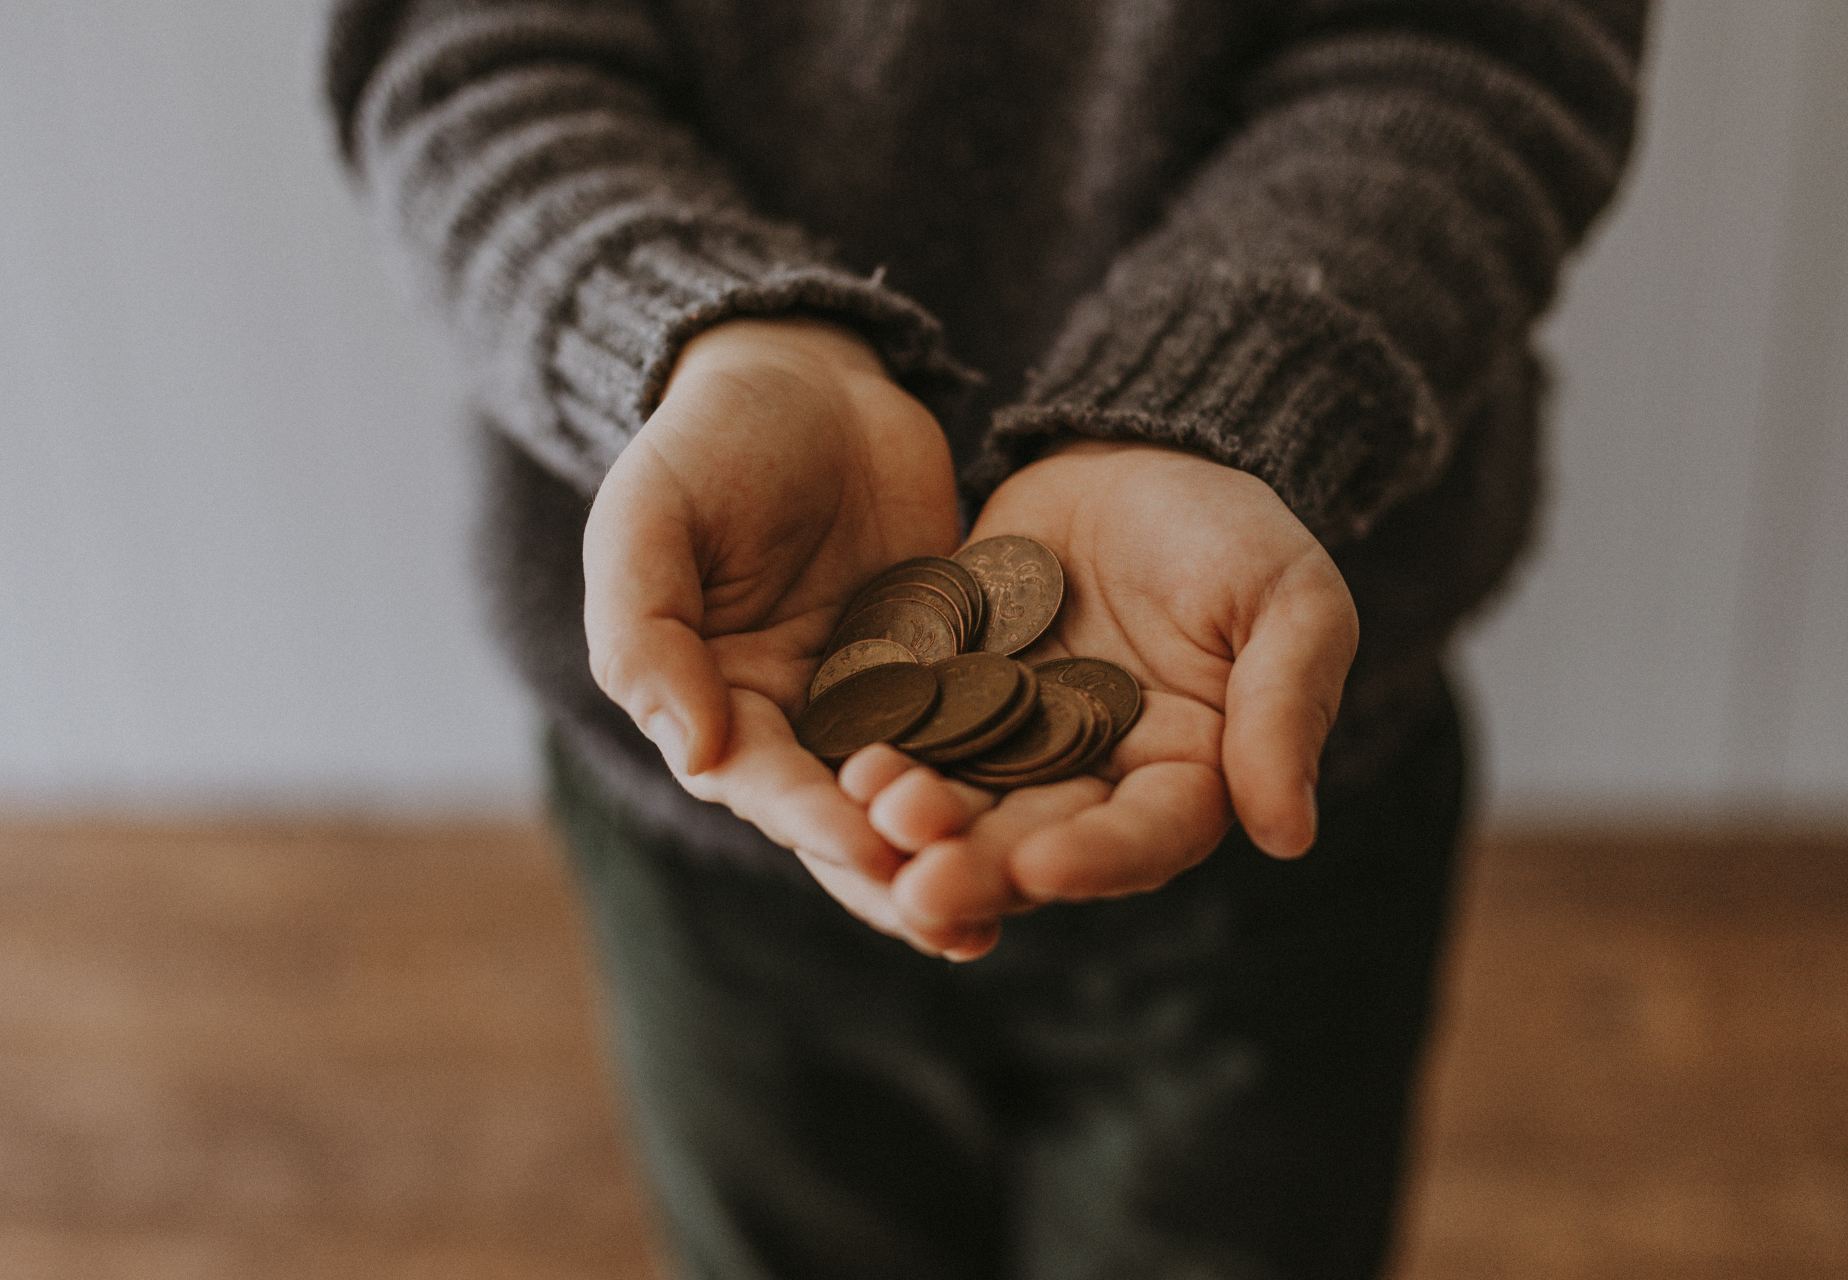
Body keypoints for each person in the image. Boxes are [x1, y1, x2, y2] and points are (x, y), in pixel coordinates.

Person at [326, 1, 1648, 1274]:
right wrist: (695, 337)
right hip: (715, 802)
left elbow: (1475, 43)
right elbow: (462, 50)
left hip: (1259, 759)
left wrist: (1226, 383)